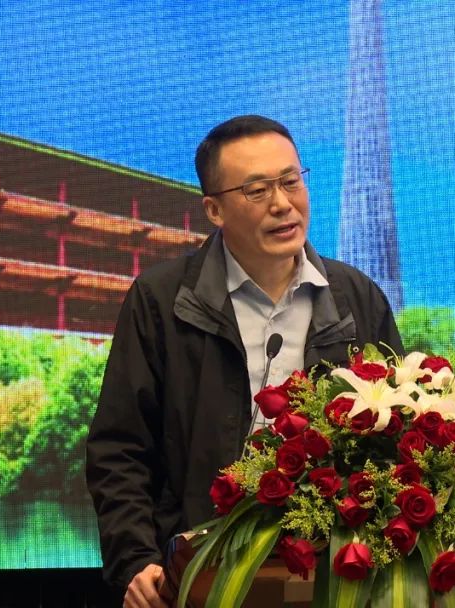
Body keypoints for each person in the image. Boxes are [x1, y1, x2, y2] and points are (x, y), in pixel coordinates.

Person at [86, 115, 404, 608]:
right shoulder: (162, 299)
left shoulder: (356, 297)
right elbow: (119, 449)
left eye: (291, 181)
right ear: (214, 209)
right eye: (256, 190)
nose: (282, 203)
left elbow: (398, 438)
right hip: (199, 572)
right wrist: (137, 560)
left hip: (334, 576)